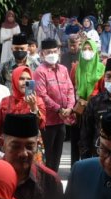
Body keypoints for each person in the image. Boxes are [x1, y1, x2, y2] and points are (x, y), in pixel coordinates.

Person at [34, 38, 75, 172]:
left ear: (58, 52)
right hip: (48, 122)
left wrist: (69, 107)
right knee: (48, 157)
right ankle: (46, 185)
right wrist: (59, 109)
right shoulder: (40, 71)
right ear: (42, 54)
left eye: (54, 51)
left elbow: (70, 89)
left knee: (57, 156)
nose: (52, 54)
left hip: (61, 120)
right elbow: (42, 95)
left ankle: (54, 183)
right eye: (48, 52)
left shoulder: (63, 69)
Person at [0, 66, 45, 149]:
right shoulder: (5, 102)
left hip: (31, 147)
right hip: (11, 147)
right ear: (14, 80)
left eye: (28, 79)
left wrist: (34, 107)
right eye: (21, 79)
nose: (25, 82)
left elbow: (41, 124)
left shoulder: (38, 101)